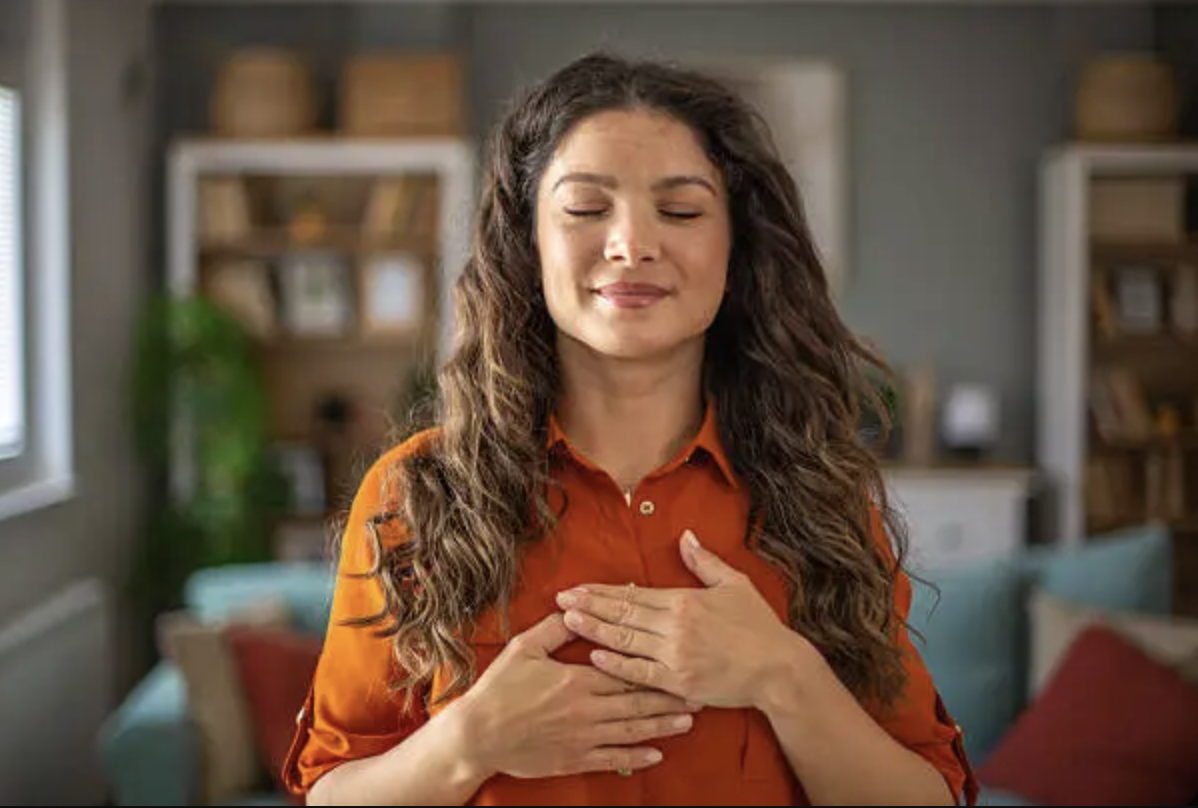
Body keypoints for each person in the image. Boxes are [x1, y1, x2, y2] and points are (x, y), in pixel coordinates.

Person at [282, 51, 977, 807]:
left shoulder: (824, 501)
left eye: (679, 211)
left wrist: (784, 676)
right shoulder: (413, 496)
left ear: (736, 248)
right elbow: (330, 793)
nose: (632, 244)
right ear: (528, 243)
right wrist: (470, 742)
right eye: (585, 209)